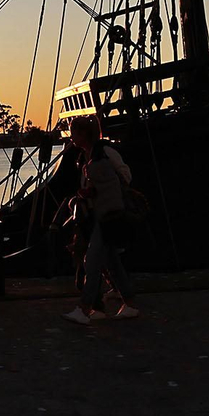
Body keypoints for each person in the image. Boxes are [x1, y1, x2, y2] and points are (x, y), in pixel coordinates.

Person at [63, 138, 140, 324]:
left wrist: (109, 191)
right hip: (97, 214)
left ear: (84, 134)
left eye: (75, 132)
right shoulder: (85, 157)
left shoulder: (104, 153)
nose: (72, 137)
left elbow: (123, 175)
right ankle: (129, 303)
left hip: (106, 216)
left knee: (92, 260)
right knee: (111, 261)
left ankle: (85, 307)